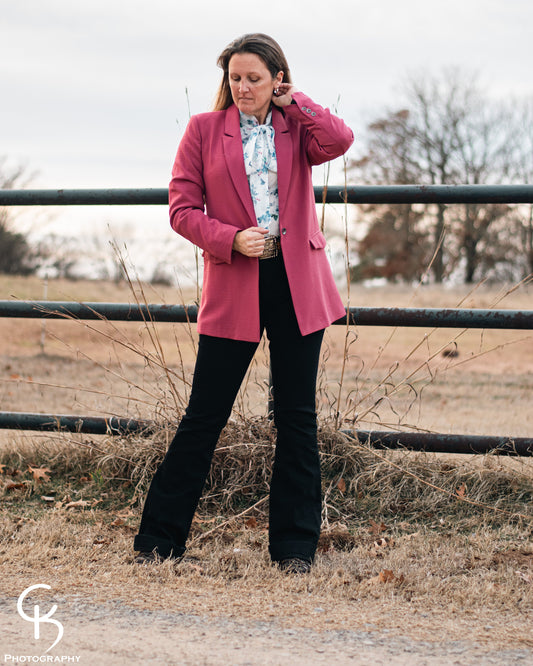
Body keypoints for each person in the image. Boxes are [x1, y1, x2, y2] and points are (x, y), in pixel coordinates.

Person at [134, 33, 354, 574]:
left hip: (297, 281)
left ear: (277, 78)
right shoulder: (204, 130)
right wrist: (230, 238)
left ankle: (295, 551)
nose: (243, 87)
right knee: (205, 414)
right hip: (236, 278)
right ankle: (158, 542)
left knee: (297, 418)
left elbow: (341, 139)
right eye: (236, 78)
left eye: (255, 78)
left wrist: (293, 101)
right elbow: (182, 209)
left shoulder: (296, 127)